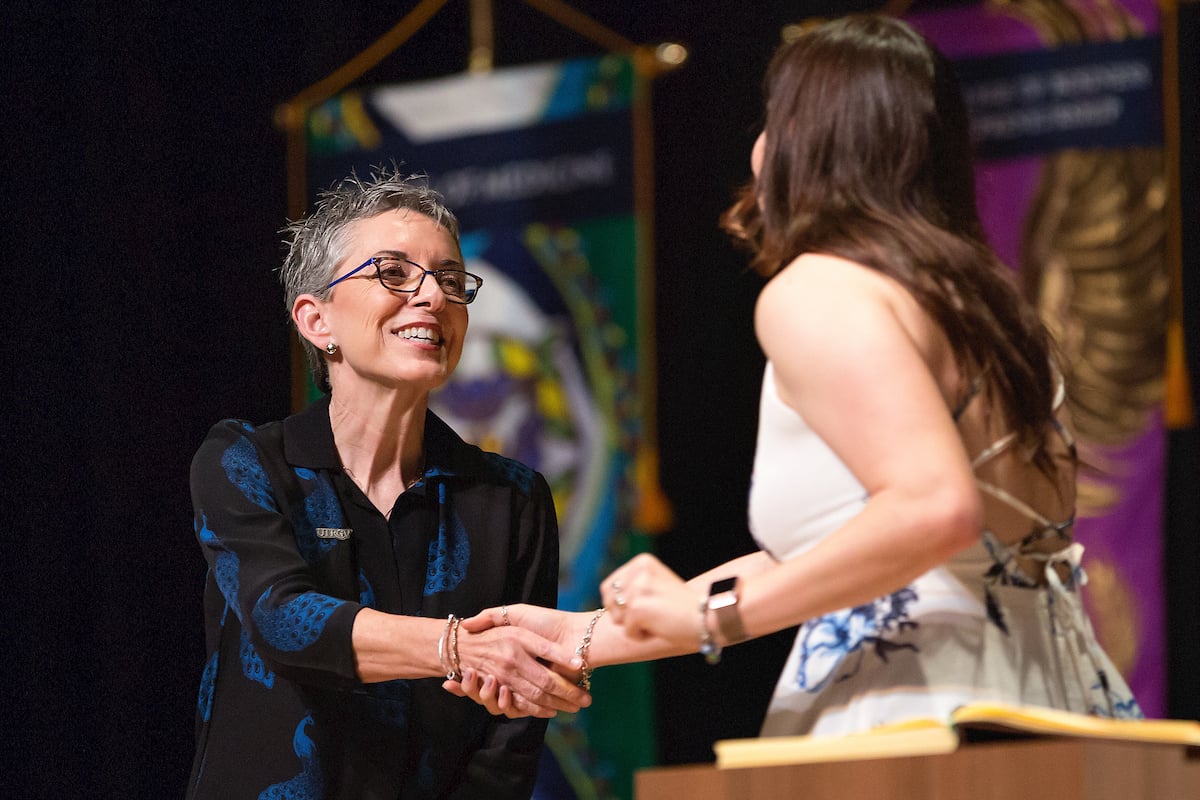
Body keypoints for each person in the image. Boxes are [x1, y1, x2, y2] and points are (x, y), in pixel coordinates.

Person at [452, 13, 1141, 736]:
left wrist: (708, 615)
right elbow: (850, 557)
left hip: (921, 708)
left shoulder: (818, 289)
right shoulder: (995, 307)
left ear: (806, 142)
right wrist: (584, 636)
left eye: (772, 120)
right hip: (1057, 705)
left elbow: (935, 508)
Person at [186, 167, 591, 800]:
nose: (433, 297)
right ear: (317, 322)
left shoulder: (513, 499)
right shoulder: (245, 461)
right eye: (393, 273)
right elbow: (283, 621)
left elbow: (508, 743)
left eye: (451, 280)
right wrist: (463, 648)